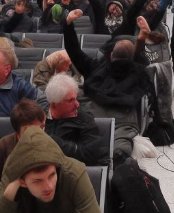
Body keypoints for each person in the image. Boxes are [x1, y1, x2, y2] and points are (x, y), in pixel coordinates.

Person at [64, 11, 153, 166]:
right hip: (123, 122)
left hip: (92, 117)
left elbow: (74, 51)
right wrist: (141, 39)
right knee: (122, 147)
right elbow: (135, 62)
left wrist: (69, 25)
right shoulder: (138, 73)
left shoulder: (95, 69)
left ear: (111, 55)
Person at [44, 74, 110, 167]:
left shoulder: (84, 120)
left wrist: (57, 143)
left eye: (75, 98)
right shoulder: (38, 120)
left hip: (73, 174)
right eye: (70, 100)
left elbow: (91, 155)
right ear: (54, 104)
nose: (77, 104)